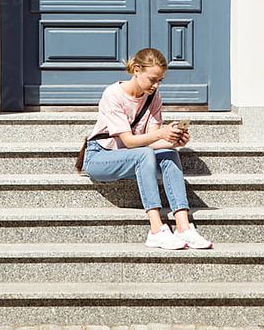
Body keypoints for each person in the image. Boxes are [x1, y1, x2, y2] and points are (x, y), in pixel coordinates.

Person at [82, 47, 213, 250]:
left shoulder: (153, 97)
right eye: (152, 79)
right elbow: (128, 141)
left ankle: (183, 226)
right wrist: (161, 134)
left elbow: (150, 141)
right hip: (100, 157)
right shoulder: (113, 94)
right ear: (136, 70)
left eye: (160, 80)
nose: (155, 85)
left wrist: (173, 141)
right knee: (143, 154)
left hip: (130, 156)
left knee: (169, 154)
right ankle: (156, 230)